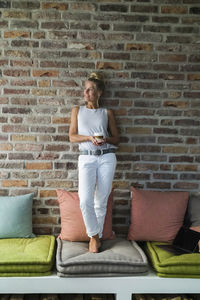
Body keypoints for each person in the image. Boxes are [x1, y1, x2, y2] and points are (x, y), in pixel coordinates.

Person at [69, 72, 120, 253]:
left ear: (99, 92)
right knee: (85, 200)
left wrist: (104, 139)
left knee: (101, 200)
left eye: (90, 90)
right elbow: (72, 136)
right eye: (85, 90)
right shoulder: (78, 111)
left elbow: (117, 139)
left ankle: (94, 240)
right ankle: (95, 236)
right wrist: (89, 138)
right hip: (86, 157)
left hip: (107, 157)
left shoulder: (107, 113)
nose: (86, 93)